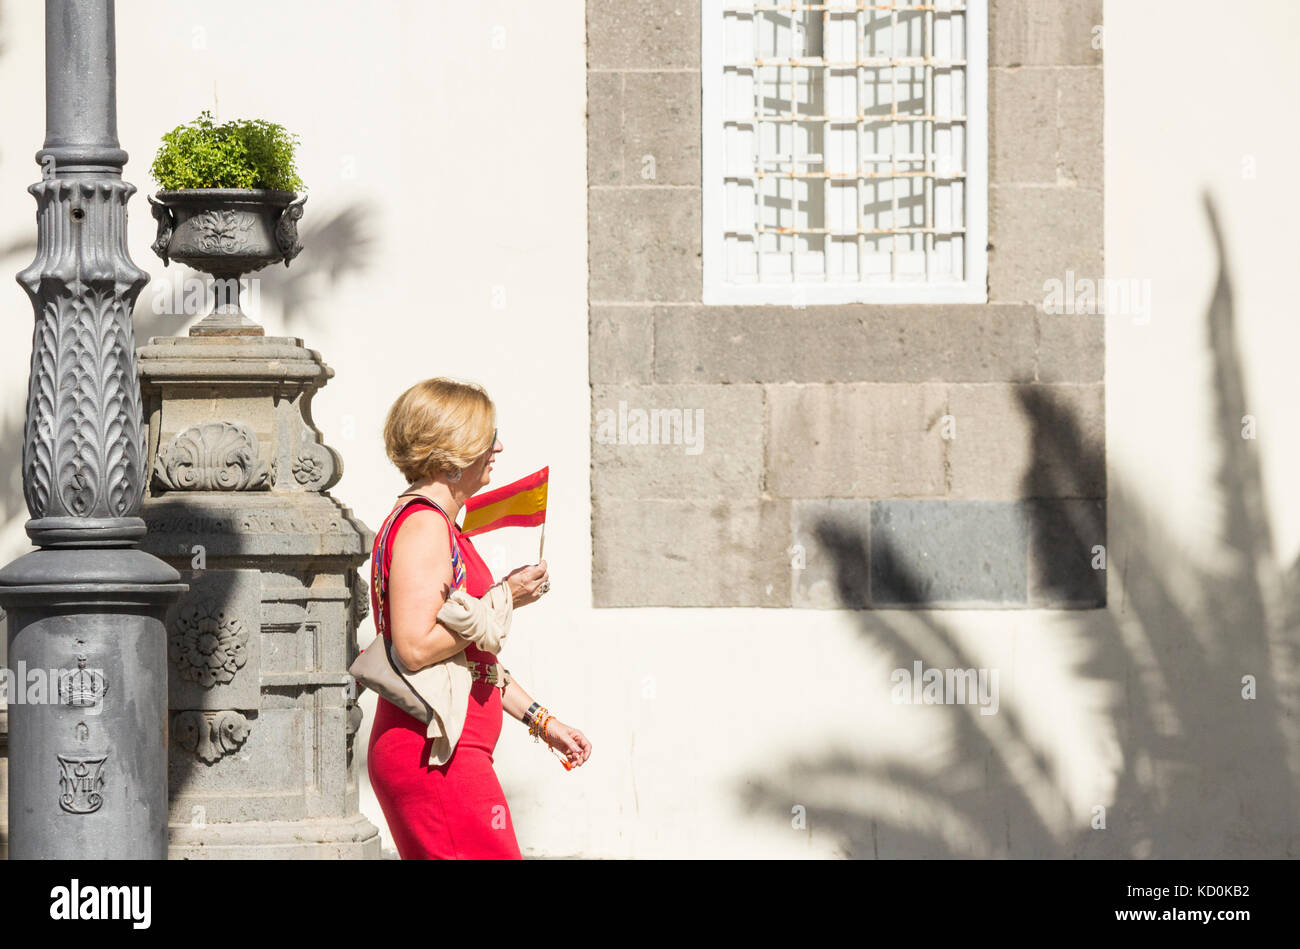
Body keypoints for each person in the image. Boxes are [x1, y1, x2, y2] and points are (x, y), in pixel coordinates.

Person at [367, 377, 592, 859]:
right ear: (451, 452)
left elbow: (471, 658)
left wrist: (542, 721)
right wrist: (504, 597)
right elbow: (414, 647)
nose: (499, 447)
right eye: (488, 437)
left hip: (447, 748)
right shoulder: (425, 523)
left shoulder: (439, 523)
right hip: (434, 752)